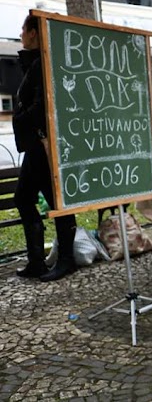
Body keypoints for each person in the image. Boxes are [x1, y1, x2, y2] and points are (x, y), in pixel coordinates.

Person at [13, 14, 78, 282]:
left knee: (56, 201)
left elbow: (43, 106)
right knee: (24, 198)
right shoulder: (36, 62)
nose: (20, 34)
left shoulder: (43, 63)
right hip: (35, 144)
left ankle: (66, 260)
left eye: (23, 29)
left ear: (33, 33)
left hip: (42, 143)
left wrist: (19, 117)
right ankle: (37, 262)